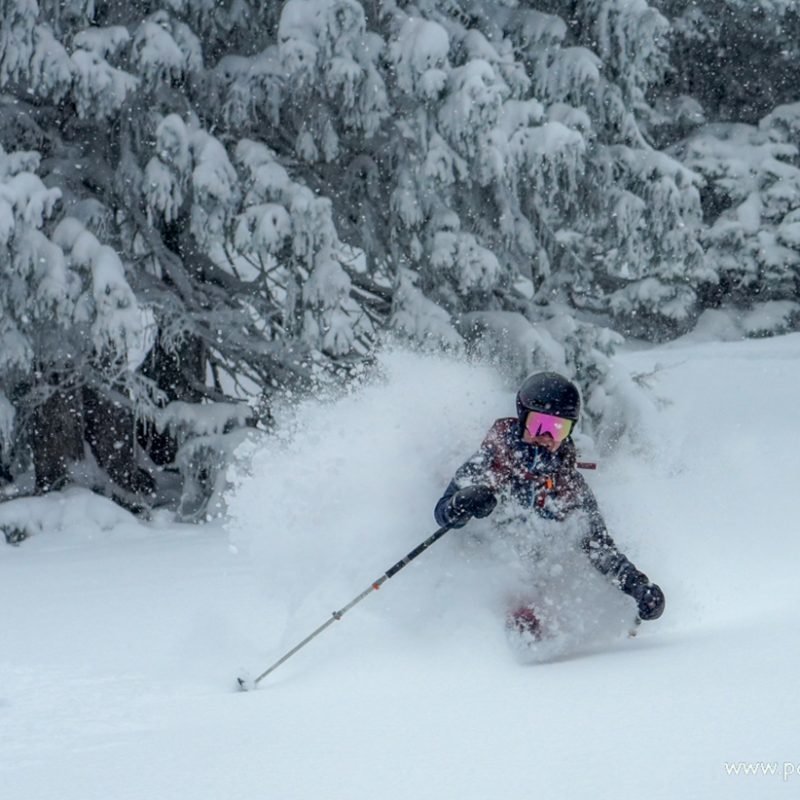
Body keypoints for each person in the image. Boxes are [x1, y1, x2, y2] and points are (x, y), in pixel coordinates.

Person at [434, 371, 664, 642]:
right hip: (481, 560)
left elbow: (598, 546)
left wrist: (637, 586)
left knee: (535, 613)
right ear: (522, 418)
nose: (546, 436)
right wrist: (463, 502)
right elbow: (443, 514)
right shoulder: (495, 457)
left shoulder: (567, 484)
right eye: (538, 424)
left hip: (531, 569)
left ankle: (532, 662)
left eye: (558, 428)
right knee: (506, 597)